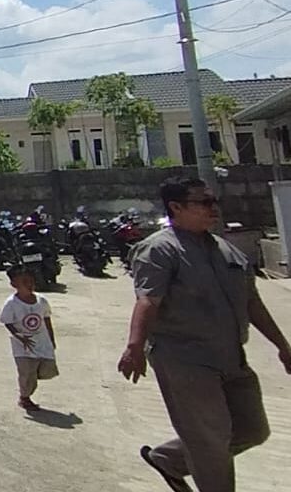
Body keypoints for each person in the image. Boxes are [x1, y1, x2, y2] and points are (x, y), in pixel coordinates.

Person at [118, 176, 291, 492]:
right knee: (210, 441)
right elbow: (148, 300)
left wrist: (282, 345)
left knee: (252, 429)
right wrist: (135, 346)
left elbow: (252, 302)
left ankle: (169, 460)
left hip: (231, 357)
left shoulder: (224, 248)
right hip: (185, 360)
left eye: (214, 201)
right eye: (204, 202)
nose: (214, 208)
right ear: (176, 207)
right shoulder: (159, 249)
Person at [0, 264, 57, 412]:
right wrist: (19, 336)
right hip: (23, 346)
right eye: (24, 282)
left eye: (31, 281)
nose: (29, 285)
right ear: (14, 285)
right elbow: (7, 322)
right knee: (26, 372)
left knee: (47, 370)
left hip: (41, 342)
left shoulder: (41, 301)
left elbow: (46, 319)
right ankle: (24, 398)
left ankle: (30, 383)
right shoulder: (12, 304)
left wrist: (51, 338)